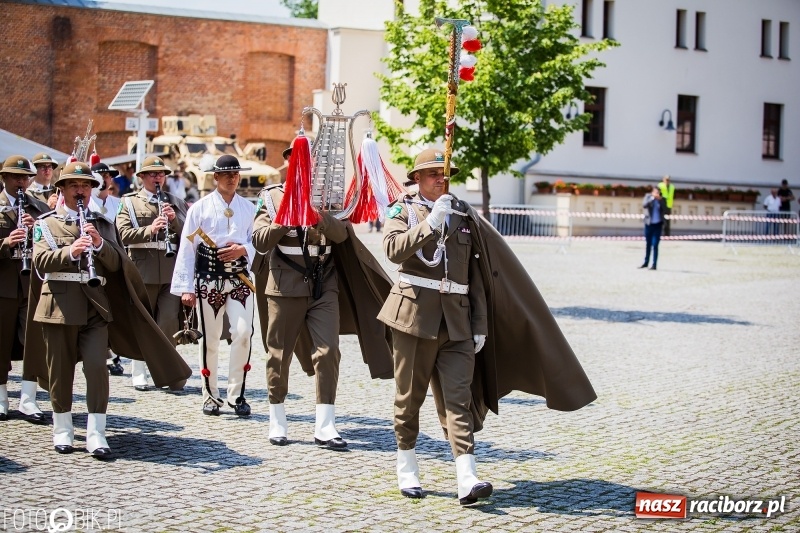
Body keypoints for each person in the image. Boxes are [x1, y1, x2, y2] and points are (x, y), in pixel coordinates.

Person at [379, 148, 596, 504]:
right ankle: (407, 465)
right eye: (433, 173)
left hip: (458, 322)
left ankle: (467, 476)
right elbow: (392, 250)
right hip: (413, 317)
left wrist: (479, 323)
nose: (441, 178)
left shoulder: (464, 214)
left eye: (445, 173)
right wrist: (429, 224)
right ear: (416, 178)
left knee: (459, 400)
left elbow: (478, 275)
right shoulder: (402, 210)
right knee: (409, 398)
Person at [25, 161, 191, 458]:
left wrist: (100, 245)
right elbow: (40, 262)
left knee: (96, 369)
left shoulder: (101, 222)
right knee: (60, 370)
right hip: (58, 305)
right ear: (62, 189)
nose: (82, 191)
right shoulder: (45, 224)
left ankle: (96, 432)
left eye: (87, 186)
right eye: (75, 186)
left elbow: (117, 263)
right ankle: (62, 427)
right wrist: (70, 251)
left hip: (95, 308)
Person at [252, 143, 394, 449]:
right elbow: (260, 240)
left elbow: (342, 235)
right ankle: (277, 416)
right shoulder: (272, 196)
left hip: (323, 284)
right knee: (279, 353)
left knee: (329, 352)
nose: (307, 168)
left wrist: (319, 217)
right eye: (300, 162)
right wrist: (286, 218)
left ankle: (325, 424)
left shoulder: (330, 199)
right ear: (290, 164)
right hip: (285, 285)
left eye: (313, 164)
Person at [171, 155, 256, 417]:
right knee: (210, 339)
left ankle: (236, 394)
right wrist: (186, 287)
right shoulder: (200, 208)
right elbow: (187, 248)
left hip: (240, 280)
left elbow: (258, 241)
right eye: (227, 174)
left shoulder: (249, 208)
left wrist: (244, 249)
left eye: (236, 174)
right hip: (209, 281)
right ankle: (210, 395)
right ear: (215, 177)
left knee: (244, 333)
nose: (232, 178)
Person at [117, 156, 187, 391]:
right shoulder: (128, 203)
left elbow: (188, 233)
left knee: (168, 321)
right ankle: (139, 371)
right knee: (143, 321)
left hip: (170, 271)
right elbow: (122, 234)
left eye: (161, 174)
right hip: (141, 269)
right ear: (142, 177)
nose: (158, 177)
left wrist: (173, 220)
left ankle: (168, 372)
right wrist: (150, 229)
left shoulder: (175, 201)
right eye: (153, 174)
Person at [0, 155, 50, 423]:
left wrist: (37, 231)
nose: (21, 182)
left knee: (33, 340)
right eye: (16, 177)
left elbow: (53, 244)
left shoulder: (39, 208)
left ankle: (29, 399)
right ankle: (1, 397)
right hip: (4, 284)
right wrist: (6, 242)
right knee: (0, 340)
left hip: (32, 283)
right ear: (4, 178)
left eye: (25, 177)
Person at [639, 186, 667, 270]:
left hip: (658, 225)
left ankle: (654, 264)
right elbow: (644, 205)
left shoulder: (662, 199)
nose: (656, 194)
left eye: (658, 192)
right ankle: (646, 262)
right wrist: (652, 199)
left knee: (655, 245)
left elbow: (666, 210)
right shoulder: (648, 197)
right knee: (648, 244)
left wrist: (660, 200)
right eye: (655, 192)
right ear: (652, 192)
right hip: (649, 224)